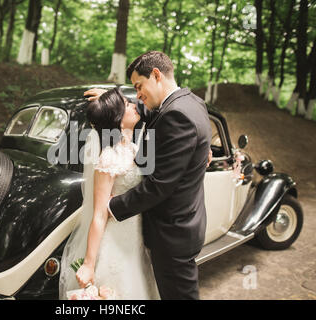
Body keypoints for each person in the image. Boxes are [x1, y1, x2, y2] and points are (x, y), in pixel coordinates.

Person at [83, 51, 212, 300]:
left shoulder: (176, 116)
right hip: (182, 225)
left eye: (139, 87)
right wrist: (112, 102)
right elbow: (156, 117)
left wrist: (112, 206)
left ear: (156, 75)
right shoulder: (192, 103)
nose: (138, 95)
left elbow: (159, 186)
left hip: (171, 234)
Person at [58, 87, 160, 300]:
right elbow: (98, 214)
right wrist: (88, 263)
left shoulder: (133, 149)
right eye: (127, 104)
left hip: (135, 240)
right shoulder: (109, 157)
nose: (134, 105)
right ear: (118, 120)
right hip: (115, 242)